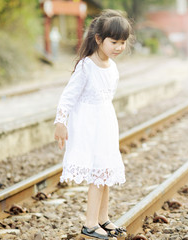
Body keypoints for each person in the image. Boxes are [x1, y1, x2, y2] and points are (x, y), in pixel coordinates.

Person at [54, 9, 133, 240]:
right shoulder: (86, 66)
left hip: (106, 123)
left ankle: (103, 218)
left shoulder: (113, 67)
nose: (119, 47)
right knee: (98, 173)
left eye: (123, 42)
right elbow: (68, 96)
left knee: (106, 171)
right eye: (114, 42)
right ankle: (90, 223)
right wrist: (61, 121)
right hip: (88, 126)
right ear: (99, 39)